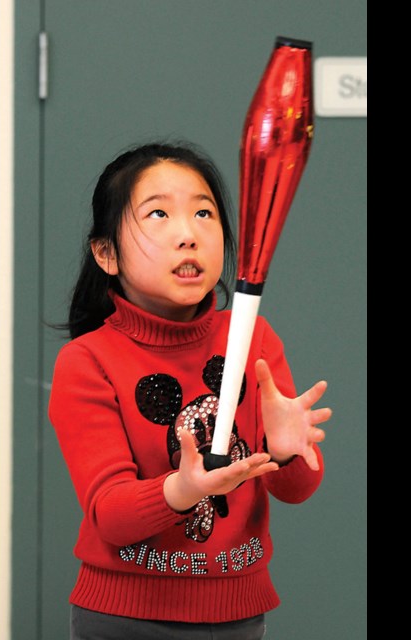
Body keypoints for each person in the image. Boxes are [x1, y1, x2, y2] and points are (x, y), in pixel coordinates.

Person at [48, 141, 331, 640]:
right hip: (124, 617)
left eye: (204, 212)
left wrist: (288, 455)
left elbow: (296, 490)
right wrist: (186, 489)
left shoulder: (255, 340)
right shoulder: (87, 361)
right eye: (158, 213)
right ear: (105, 252)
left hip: (238, 612)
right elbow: (110, 515)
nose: (188, 234)